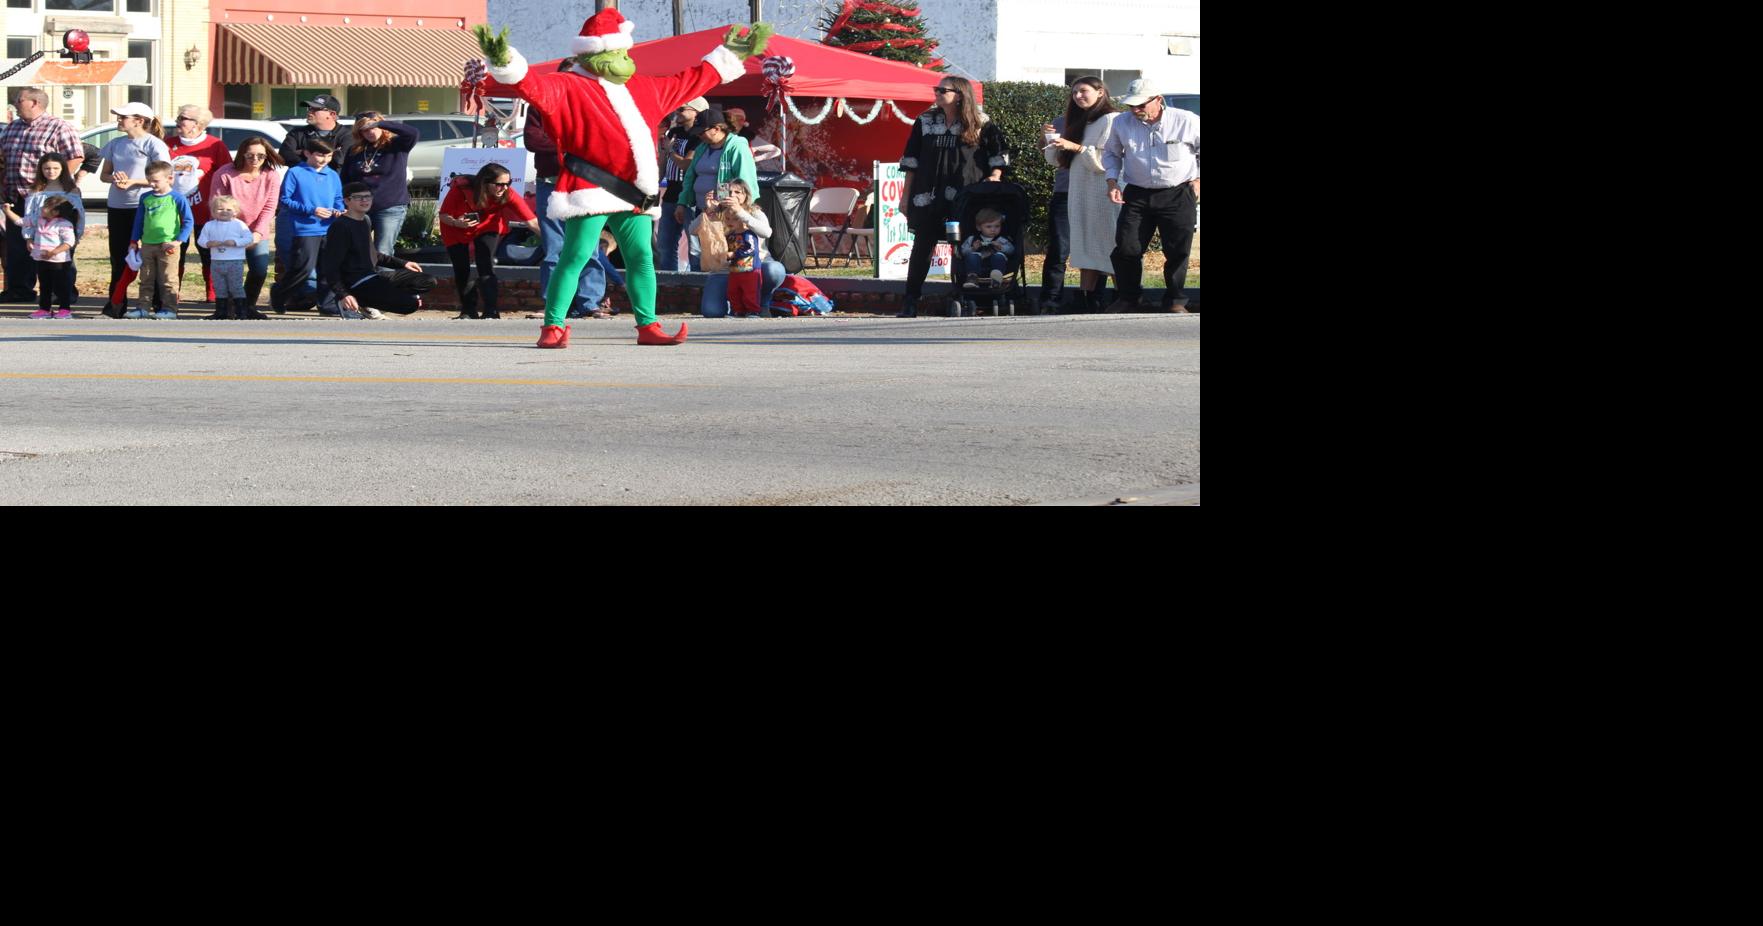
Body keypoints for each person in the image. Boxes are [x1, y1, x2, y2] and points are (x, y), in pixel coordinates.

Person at [471, 7, 771, 349]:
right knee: (575, 256)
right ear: (591, 54)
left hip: (634, 193)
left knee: (641, 257)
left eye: (624, 52)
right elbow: (531, 85)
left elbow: (691, 79)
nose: (623, 59)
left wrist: (730, 55)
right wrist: (506, 60)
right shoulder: (567, 86)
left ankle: (648, 325)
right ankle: (552, 326)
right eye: (615, 52)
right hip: (590, 188)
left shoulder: (644, 87)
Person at [895, 76, 1008, 318]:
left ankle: (965, 296)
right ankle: (910, 300)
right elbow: (911, 161)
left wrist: (995, 175)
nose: (937, 93)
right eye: (936, 89)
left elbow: (998, 154)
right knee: (922, 246)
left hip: (965, 195)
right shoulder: (925, 121)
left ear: (959, 95)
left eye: (942, 90)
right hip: (928, 195)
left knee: (964, 246)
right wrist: (905, 197)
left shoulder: (980, 122)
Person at [1102, 79, 1199, 313]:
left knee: (1177, 250)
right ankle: (1130, 298)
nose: (1135, 110)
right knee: (1126, 246)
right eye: (1131, 105)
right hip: (1137, 193)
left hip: (1177, 192)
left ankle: (1175, 300)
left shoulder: (1186, 120)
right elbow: (1112, 154)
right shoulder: (1121, 123)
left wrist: (1198, 181)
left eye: (1141, 105)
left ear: (1158, 100)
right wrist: (1112, 181)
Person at [526, 76, 610, 320]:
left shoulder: (592, 104)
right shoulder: (539, 106)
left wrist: (566, 143)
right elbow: (533, 140)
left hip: (585, 183)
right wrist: (572, 144)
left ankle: (589, 302)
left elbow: (600, 139)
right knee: (554, 246)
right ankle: (554, 303)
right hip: (550, 182)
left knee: (589, 246)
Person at [1043, 77, 1121, 313]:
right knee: (1084, 245)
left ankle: (1125, 297)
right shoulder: (1077, 121)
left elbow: (1106, 161)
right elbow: (1059, 162)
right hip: (1079, 192)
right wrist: (1049, 141)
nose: (1078, 96)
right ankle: (1086, 299)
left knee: (1111, 245)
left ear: (1100, 92)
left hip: (1105, 192)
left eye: (1083, 91)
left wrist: (1075, 147)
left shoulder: (1112, 119)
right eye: (1074, 92)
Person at [1, 86, 85, 304]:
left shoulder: (58, 127)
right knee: (19, 246)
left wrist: (54, 183)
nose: (15, 105)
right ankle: (20, 290)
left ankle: (62, 291)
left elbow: (75, 157)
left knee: (53, 244)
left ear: (34, 103)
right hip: (17, 196)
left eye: (19, 100)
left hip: (49, 199)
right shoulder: (12, 128)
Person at [96, 103, 170, 317]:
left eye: (123, 117)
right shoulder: (115, 143)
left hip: (146, 206)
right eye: (119, 117)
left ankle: (158, 305)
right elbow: (104, 175)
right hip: (117, 206)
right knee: (119, 257)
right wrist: (115, 179)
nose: (119, 120)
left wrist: (133, 182)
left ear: (139, 120)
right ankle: (116, 305)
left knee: (151, 255)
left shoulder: (153, 144)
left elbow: (164, 177)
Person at [321, 182, 436, 319]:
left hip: (373, 275)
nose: (364, 200)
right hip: (357, 283)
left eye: (368, 196)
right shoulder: (340, 226)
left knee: (427, 280)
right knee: (410, 305)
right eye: (358, 197)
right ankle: (357, 301)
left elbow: (372, 254)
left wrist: (403, 263)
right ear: (347, 201)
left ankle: (369, 302)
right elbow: (330, 266)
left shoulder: (365, 220)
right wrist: (343, 294)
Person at [439, 162, 537, 320]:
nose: (504, 188)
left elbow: (531, 221)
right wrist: (457, 223)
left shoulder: (508, 194)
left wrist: (553, 243)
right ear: (485, 182)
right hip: (455, 227)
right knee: (462, 268)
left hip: (487, 225)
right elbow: (444, 215)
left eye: (508, 183)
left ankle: (491, 310)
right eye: (499, 184)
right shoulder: (462, 189)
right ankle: (468, 310)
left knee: (485, 264)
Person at [276, 95, 351, 303]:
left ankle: (325, 301)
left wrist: (306, 153)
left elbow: (338, 162)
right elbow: (285, 155)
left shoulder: (346, 135)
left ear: (332, 114)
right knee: (293, 254)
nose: (309, 112)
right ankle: (304, 295)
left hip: (329, 210)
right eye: (309, 108)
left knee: (328, 260)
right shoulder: (298, 132)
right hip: (299, 208)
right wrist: (312, 158)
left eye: (315, 109)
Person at [674, 104, 758, 272]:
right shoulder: (702, 148)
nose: (699, 135)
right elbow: (690, 177)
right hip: (702, 209)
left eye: (702, 132)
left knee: (721, 253)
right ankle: (700, 284)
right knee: (699, 252)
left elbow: (745, 182)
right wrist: (682, 202)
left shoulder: (737, 147)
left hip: (727, 214)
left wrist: (734, 209)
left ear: (717, 129)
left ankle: (719, 285)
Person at [165, 104, 231, 313]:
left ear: (199, 124)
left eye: (183, 118)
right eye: (179, 117)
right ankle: (172, 292)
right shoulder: (168, 144)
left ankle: (212, 292)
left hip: (205, 209)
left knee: (208, 252)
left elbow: (226, 174)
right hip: (174, 211)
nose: (178, 121)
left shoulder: (215, 145)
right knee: (175, 252)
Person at [688, 179, 785, 317]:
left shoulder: (754, 212)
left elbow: (767, 232)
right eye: (728, 192)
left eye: (737, 192)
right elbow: (692, 230)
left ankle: (762, 303)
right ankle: (736, 306)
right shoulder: (717, 212)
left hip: (753, 265)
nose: (732, 195)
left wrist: (740, 212)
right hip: (725, 269)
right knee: (712, 311)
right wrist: (709, 210)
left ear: (746, 195)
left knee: (774, 270)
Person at [209, 136, 282, 316]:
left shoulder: (271, 175)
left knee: (259, 270)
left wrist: (257, 233)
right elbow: (217, 204)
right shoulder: (225, 173)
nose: (255, 159)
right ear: (242, 154)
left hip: (257, 230)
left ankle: (247, 306)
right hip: (228, 230)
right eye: (250, 155)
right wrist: (231, 231)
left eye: (260, 156)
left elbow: (270, 206)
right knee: (229, 271)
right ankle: (226, 309)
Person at [270, 138, 344, 314]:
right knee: (303, 268)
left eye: (329, 156)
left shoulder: (332, 175)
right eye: (320, 155)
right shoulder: (295, 172)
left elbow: (338, 198)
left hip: (329, 228)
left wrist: (339, 210)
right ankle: (279, 293)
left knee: (328, 268)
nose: (325, 159)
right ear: (307, 153)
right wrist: (311, 210)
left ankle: (327, 304)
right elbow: (285, 200)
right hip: (305, 228)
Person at [340, 111, 420, 258]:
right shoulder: (354, 150)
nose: (370, 132)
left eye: (373, 128)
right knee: (357, 249)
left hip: (390, 206)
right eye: (365, 130)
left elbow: (413, 133)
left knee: (383, 251)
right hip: (361, 206)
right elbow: (345, 179)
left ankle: (383, 274)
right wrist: (345, 203)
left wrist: (381, 123)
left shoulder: (396, 145)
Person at [129, 160, 194, 320]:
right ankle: (143, 308)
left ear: (169, 179)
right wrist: (134, 241)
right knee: (146, 278)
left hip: (168, 245)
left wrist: (178, 241)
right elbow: (139, 221)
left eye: (156, 181)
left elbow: (188, 221)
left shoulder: (177, 198)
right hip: (147, 244)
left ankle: (170, 309)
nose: (152, 184)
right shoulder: (145, 198)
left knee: (168, 279)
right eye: (149, 180)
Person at [654, 96, 707, 273]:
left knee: (694, 246)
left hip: (690, 196)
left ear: (696, 112)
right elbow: (663, 160)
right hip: (670, 193)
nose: (678, 111)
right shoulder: (674, 132)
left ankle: (696, 281)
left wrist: (670, 150)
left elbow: (686, 164)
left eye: (682, 109)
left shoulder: (700, 135)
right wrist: (656, 180)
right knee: (665, 244)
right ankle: (669, 281)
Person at [197, 195, 256, 320]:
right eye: (220, 209)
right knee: (219, 287)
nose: (224, 212)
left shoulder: (239, 225)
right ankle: (220, 312)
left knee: (236, 287)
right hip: (216, 262)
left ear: (235, 212)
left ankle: (241, 312)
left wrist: (235, 242)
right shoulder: (209, 225)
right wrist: (208, 243)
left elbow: (249, 238)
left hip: (234, 261)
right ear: (213, 211)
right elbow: (201, 240)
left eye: (229, 209)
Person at [26, 195, 78, 318]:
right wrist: (7, 211)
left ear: (55, 211)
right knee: (44, 285)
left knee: (61, 285)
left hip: (59, 261)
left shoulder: (64, 224)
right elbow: (20, 221)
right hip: (42, 259)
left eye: (46, 206)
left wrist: (53, 252)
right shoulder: (40, 221)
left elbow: (69, 243)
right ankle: (44, 309)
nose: (42, 208)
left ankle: (65, 309)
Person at [959, 208, 1014, 288]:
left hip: (996, 265)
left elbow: (1011, 250)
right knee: (971, 256)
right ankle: (972, 278)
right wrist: (973, 248)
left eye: (997, 226)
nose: (993, 229)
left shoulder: (1001, 240)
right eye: (989, 226)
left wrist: (1001, 247)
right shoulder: (972, 239)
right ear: (979, 227)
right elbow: (963, 252)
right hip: (976, 264)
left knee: (999, 256)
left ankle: (996, 279)